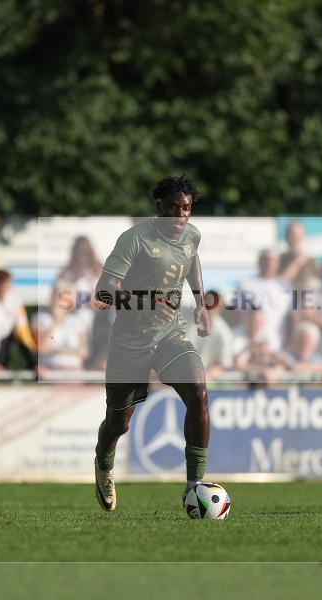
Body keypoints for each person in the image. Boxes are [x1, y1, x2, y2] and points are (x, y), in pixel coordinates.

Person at [92, 175, 211, 512]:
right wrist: (146, 301)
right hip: (130, 342)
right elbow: (103, 291)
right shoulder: (134, 239)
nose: (179, 216)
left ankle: (194, 487)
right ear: (159, 205)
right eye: (173, 207)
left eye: (186, 209)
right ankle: (103, 461)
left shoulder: (192, 235)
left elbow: (192, 258)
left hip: (170, 335)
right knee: (119, 423)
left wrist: (201, 302)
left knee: (199, 392)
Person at [238, 248, 291, 352]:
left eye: (273, 261)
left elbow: (290, 316)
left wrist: (289, 341)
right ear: (260, 262)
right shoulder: (245, 283)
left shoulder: (285, 286)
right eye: (266, 261)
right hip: (250, 345)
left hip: (277, 342)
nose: (269, 265)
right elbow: (237, 314)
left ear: (277, 264)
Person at [34, 285, 87, 373]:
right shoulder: (41, 318)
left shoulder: (76, 321)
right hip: (50, 370)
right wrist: (56, 321)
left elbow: (83, 352)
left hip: (74, 371)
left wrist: (56, 351)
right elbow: (42, 349)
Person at [279, 220, 320, 290]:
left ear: (304, 236)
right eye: (291, 234)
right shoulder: (278, 260)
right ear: (286, 236)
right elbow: (277, 284)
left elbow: (317, 284)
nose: (294, 238)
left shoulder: (312, 261)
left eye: (297, 235)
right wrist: (296, 263)